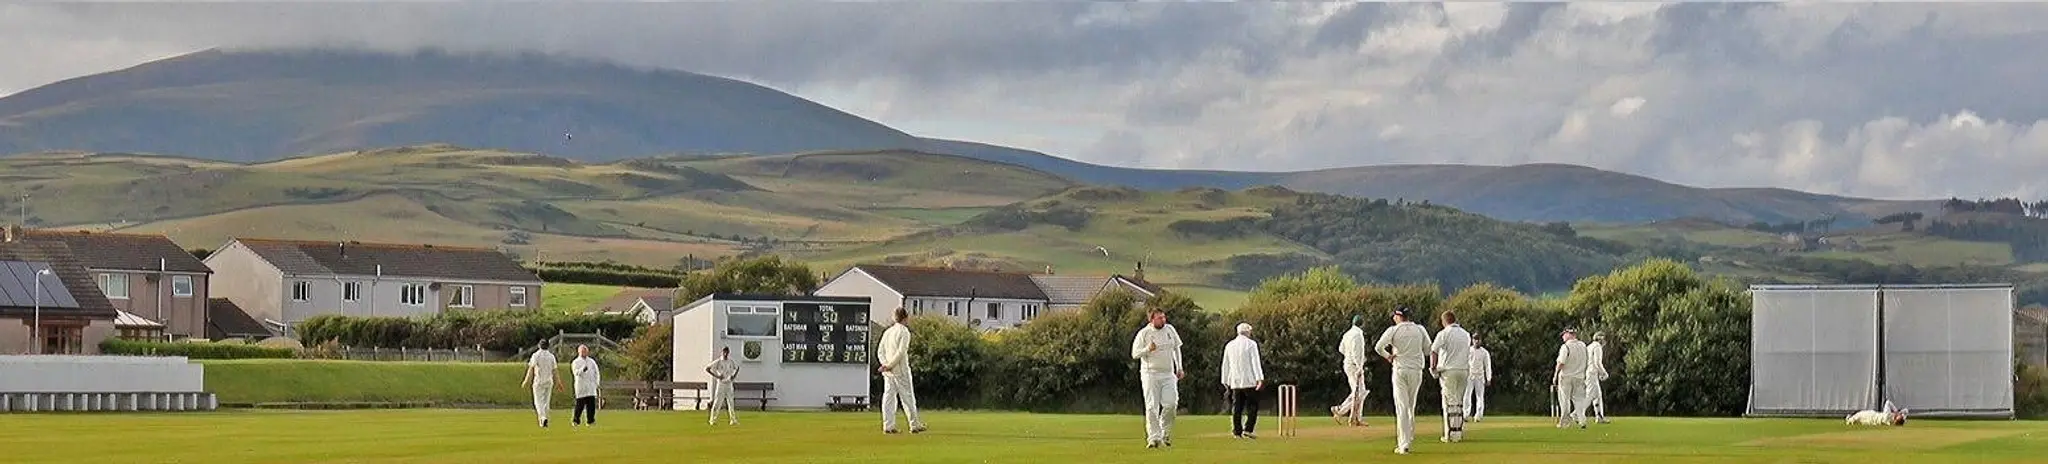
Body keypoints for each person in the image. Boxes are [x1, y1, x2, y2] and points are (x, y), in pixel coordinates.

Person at [1374, 307, 1432, 455]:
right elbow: (1428, 349)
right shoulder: (1420, 329)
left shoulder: (1393, 330)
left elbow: (1378, 347)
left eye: (1395, 316)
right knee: (1410, 406)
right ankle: (1408, 438)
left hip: (1400, 370)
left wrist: (1388, 356)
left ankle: (1404, 444)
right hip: (1416, 370)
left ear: (1399, 316)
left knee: (1402, 407)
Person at [1130, 308, 1185, 449]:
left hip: (1168, 373)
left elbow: (1176, 348)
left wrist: (1179, 367)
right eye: (1160, 318)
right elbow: (1135, 354)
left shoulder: (1170, 330)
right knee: (1151, 407)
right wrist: (1148, 349)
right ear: (1151, 319)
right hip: (1150, 374)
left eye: (1164, 317)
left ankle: (1164, 432)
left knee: (1171, 404)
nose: (1163, 320)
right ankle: (1153, 438)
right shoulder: (1144, 333)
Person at [878, 307, 927, 434]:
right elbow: (901, 352)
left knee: (888, 398)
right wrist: (890, 365)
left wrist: (885, 365)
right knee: (907, 397)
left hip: (888, 372)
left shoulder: (888, 332)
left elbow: (880, 351)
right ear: (905, 318)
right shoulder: (904, 332)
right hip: (900, 370)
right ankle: (914, 424)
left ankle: (888, 426)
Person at [1429, 312, 1473, 443]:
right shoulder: (1465, 334)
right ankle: (1458, 433)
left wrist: (1433, 367)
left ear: (1444, 321)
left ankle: (1450, 434)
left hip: (1449, 371)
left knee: (1449, 403)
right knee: (1459, 403)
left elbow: (1433, 350)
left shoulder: (1443, 333)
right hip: (1464, 370)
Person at [1220, 322, 1266, 439]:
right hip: (1249, 381)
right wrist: (1259, 379)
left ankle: (1237, 431)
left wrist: (1224, 380)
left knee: (1237, 408)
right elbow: (1255, 362)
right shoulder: (1251, 344)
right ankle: (1248, 429)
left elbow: (1225, 364)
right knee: (1252, 406)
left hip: (1235, 382)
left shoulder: (1229, 345)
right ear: (1247, 332)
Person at [1330, 315, 1371, 426]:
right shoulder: (1358, 335)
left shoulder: (1347, 333)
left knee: (1359, 392)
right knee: (1360, 392)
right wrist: (1359, 366)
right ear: (1362, 324)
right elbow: (1356, 352)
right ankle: (1340, 410)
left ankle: (1357, 418)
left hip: (1348, 364)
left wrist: (1348, 357)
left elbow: (1341, 349)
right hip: (1354, 366)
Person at [1554, 328, 1591, 429]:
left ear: (1570, 334)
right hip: (1579, 376)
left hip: (1566, 376)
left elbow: (1561, 362)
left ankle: (1565, 422)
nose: (1563, 337)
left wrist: (1555, 375)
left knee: (1564, 399)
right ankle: (1582, 420)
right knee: (1579, 400)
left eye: (1564, 334)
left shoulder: (1565, 346)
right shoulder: (1583, 345)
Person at [520, 339, 559, 428]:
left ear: (539, 346)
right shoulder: (551, 356)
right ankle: (544, 419)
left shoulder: (536, 355)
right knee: (546, 401)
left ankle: (543, 417)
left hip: (539, 381)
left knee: (538, 402)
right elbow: (555, 370)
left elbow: (531, 368)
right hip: (549, 381)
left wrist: (526, 380)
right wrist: (559, 382)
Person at [705, 346, 740, 426]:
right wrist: (717, 376)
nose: (725, 354)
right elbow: (707, 368)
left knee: (731, 402)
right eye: (724, 352)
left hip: (729, 384)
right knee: (718, 402)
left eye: (727, 352)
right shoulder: (718, 361)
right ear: (722, 352)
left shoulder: (731, 361)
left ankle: (733, 420)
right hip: (721, 384)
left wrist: (733, 376)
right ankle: (712, 420)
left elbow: (737, 368)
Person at [571, 344, 601, 427]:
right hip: (581, 386)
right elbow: (576, 373)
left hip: (591, 386)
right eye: (582, 351)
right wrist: (582, 370)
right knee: (579, 405)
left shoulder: (591, 361)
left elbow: (596, 372)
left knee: (591, 405)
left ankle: (590, 421)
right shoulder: (576, 362)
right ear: (579, 352)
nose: (584, 353)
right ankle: (576, 420)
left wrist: (596, 382)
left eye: (585, 351)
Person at [1465, 335, 1493, 423]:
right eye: (1475, 339)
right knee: (1467, 395)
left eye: (1478, 339)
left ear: (1480, 341)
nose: (1476, 341)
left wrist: (1488, 378)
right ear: (1472, 340)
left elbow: (1487, 366)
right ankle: (1465, 414)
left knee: (1480, 396)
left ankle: (1478, 416)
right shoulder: (1468, 350)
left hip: (1480, 376)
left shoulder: (1484, 352)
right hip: (1469, 375)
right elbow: (1465, 363)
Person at [1586, 331, 1610, 424]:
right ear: (1599, 339)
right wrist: (1604, 373)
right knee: (1590, 395)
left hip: (1589, 373)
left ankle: (1599, 416)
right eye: (1603, 339)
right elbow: (1597, 363)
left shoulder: (1589, 346)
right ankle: (1576, 413)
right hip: (1591, 373)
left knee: (1597, 395)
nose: (1604, 341)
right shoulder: (1597, 347)